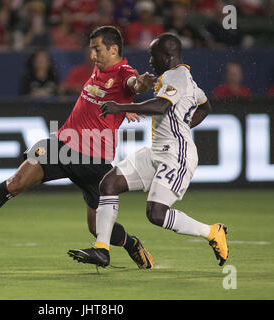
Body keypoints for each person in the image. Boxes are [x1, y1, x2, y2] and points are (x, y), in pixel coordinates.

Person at [0, 26, 155, 270]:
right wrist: (125, 103)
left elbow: (134, 83)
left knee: (97, 227)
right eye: (91, 50)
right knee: (15, 182)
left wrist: (140, 84)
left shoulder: (123, 72)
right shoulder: (100, 69)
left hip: (93, 160)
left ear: (114, 49)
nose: (92, 56)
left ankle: (131, 244)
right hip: (62, 144)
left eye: (97, 50)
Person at [68, 33, 229, 268]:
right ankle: (101, 250)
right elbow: (205, 106)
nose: (150, 61)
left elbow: (161, 106)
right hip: (156, 151)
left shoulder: (178, 76)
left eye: (153, 55)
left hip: (176, 156)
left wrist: (119, 107)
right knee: (108, 183)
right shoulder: (179, 78)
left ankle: (213, 232)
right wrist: (184, 124)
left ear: (167, 55)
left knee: (156, 214)